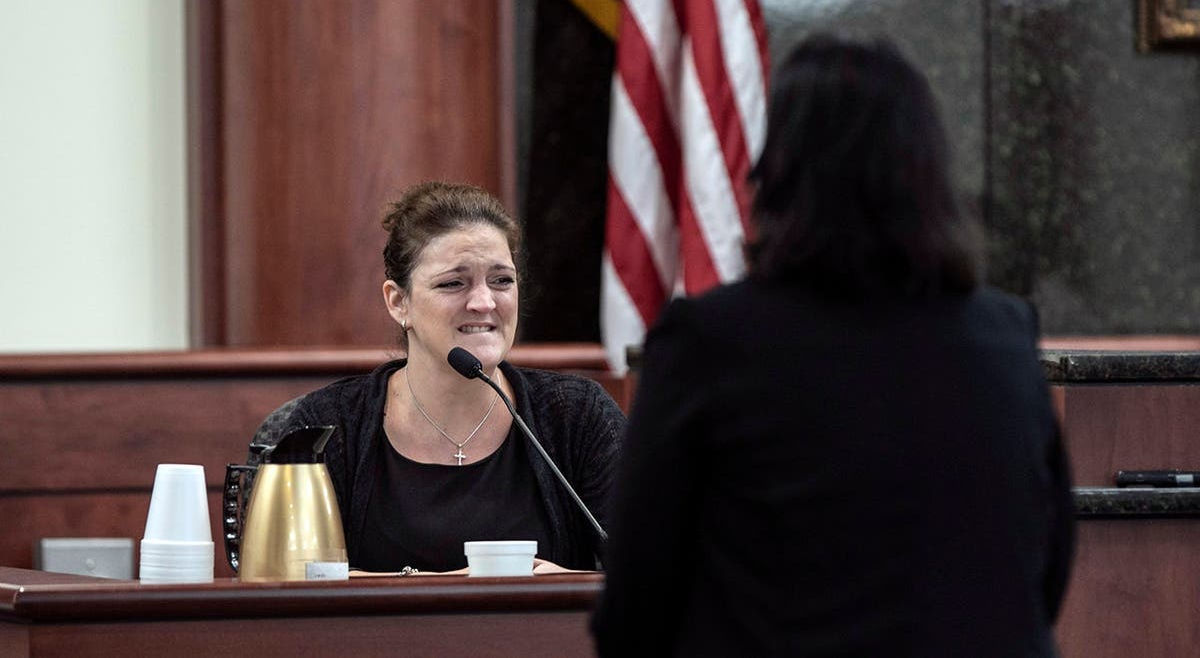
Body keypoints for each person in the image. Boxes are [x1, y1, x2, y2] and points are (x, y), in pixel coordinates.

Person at [591, 35, 1074, 656]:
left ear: (779, 171)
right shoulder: (1004, 337)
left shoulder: (708, 344)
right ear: (931, 175)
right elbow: (1047, 569)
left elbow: (635, 602)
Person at [250, 181, 625, 572]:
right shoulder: (328, 426)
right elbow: (283, 582)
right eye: (453, 283)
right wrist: (437, 587)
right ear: (399, 302)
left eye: (501, 280)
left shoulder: (577, 417)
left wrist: (561, 585)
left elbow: (656, 576)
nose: (484, 302)